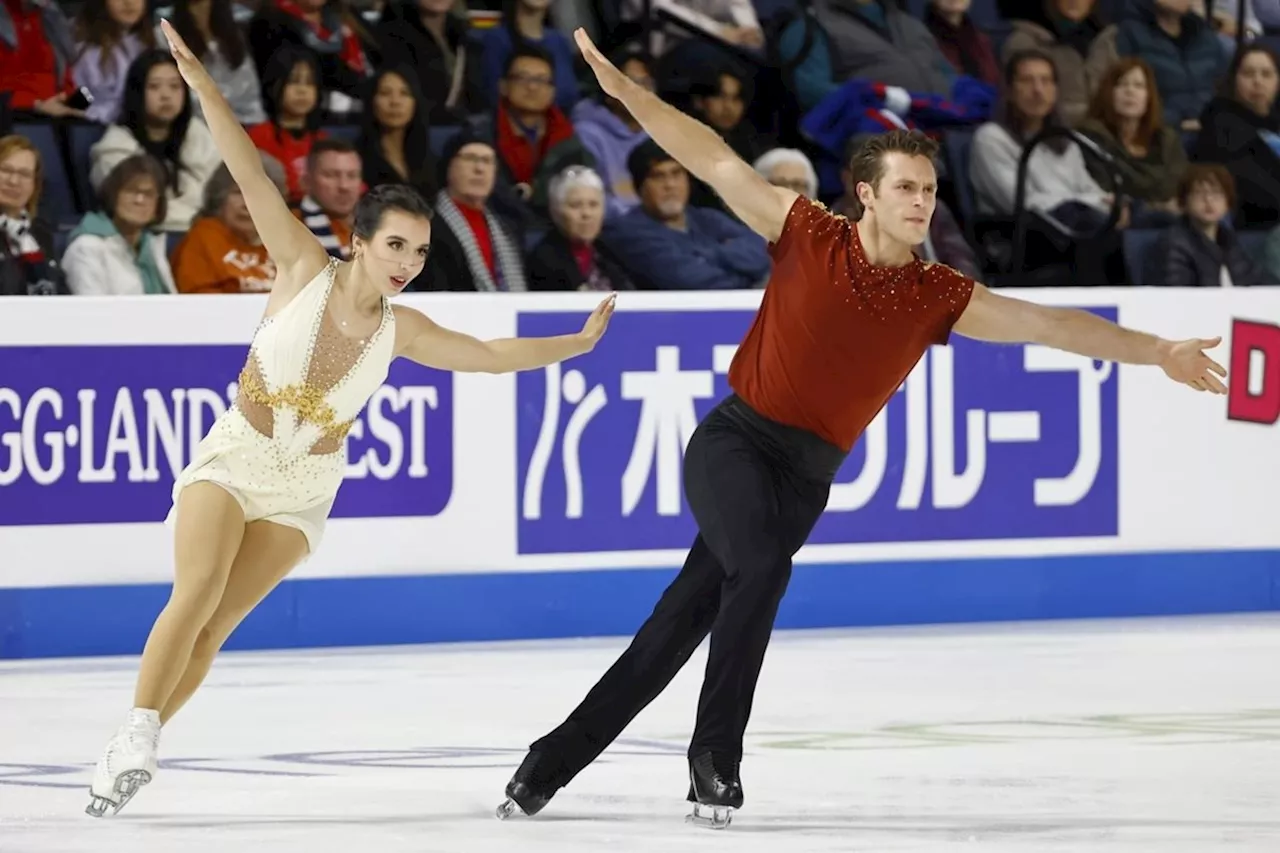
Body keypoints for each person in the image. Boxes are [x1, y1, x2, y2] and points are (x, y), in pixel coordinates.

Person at [496, 27, 1229, 830]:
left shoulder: (937, 293)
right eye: (907, 188)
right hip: (736, 441)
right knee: (763, 572)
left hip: (805, 477)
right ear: (867, 194)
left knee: (677, 625)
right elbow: (711, 158)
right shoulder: (806, 232)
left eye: (930, 190)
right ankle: (716, 758)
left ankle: (548, 763)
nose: (922, 202)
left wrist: (1156, 349)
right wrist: (630, 94)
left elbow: (1049, 325)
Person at [86, 19, 616, 820]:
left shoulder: (407, 330)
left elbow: (492, 354)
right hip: (236, 457)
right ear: (359, 240)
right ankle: (133, 733)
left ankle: (146, 730)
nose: (407, 263)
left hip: (302, 491)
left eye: (419, 252)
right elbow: (244, 167)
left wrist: (573, 343)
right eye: (396, 245)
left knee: (216, 627)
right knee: (194, 591)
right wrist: (200, 84)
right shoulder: (302, 266)